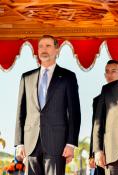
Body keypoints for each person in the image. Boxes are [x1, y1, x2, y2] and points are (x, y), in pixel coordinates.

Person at [14, 35, 81, 175]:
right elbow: (21, 113)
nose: (44, 49)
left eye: (48, 46)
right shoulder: (26, 77)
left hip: (57, 143)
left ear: (57, 50)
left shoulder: (68, 77)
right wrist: (19, 143)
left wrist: (71, 143)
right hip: (31, 142)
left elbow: (74, 112)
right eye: (41, 46)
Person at [89, 59, 118, 175]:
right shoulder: (98, 99)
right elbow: (95, 126)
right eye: (107, 72)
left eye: (113, 71)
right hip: (103, 151)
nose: (109, 75)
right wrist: (92, 154)